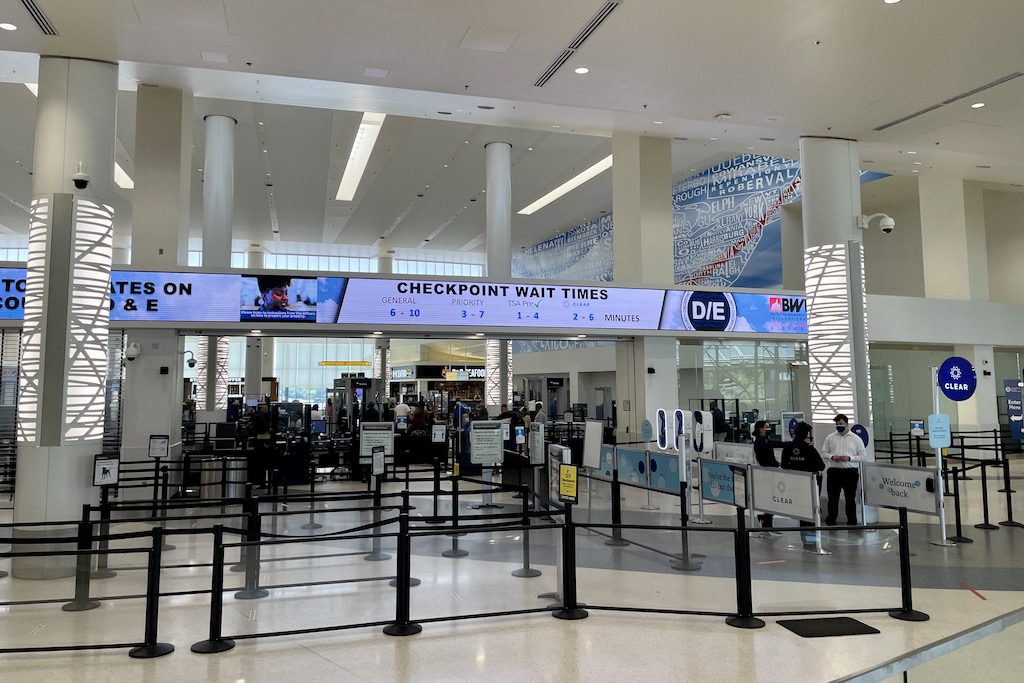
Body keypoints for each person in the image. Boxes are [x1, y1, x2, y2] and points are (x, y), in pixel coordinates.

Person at [781, 421, 826, 549]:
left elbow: (784, 465)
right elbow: (821, 466)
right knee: (811, 512)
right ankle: (811, 539)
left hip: (795, 483)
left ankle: (805, 539)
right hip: (810, 484)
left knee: (802, 512)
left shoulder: (788, 448)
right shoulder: (809, 449)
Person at [821, 413, 866, 526]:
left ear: (846, 423)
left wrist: (850, 458)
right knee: (833, 498)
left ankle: (852, 521)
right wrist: (832, 457)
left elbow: (863, 456)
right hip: (834, 471)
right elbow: (824, 453)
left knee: (850, 498)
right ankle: (831, 520)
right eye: (837, 424)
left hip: (850, 472)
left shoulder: (856, 439)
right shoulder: (830, 437)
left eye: (841, 424)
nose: (839, 426)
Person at [752, 420, 779, 530]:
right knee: (769, 497)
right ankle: (767, 522)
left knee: (772, 498)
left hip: (771, 471)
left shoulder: (766, 440)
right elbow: (763, 459)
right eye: (766, 427)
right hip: (766, 472)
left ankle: (766, 519)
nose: (768, 429)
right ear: (760, 429)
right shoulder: (759, 442)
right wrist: (775, 463)